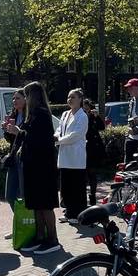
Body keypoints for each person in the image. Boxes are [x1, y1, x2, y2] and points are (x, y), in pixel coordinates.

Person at [5, 81, 60, 254]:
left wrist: (18, 132)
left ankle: (52, 239)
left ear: (33, 96)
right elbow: (28, 136)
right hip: (33, 166)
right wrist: (17, 133)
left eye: (27, 95)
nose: (25, 99)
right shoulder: (33, 114)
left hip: (42, 167)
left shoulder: (41, 114)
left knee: (45, 204)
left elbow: (39, 139)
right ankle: (40, 236)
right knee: (36, 203)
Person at [56, 89, 89, 223]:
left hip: (76, 157)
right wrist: (56, 136)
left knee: (77, 187)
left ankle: (78, 214)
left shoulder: (83, 116)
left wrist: (59, 140)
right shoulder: (65, 114)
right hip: (64, 156)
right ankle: (69, 212)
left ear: (80, 99)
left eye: (73, 97)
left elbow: (76, 135)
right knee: (66, 187)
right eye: (69, 97)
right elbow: (59, 130)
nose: (70, 99)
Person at [2, 88, 27, 206]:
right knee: (10, 195)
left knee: (24, 193)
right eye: (13, 98)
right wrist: (6, 130)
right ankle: (20, 220)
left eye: (17, 98)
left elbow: (29, 138)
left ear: (26, 99)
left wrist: (18, 132)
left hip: (25, 158)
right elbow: (11, 140)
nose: (14, 101)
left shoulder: (30, 116)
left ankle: (30, 222)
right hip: (13, 156)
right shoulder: (13, 115)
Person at [83, 98, 107, 202]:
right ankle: (82, 196)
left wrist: (97, 117)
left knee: (92, 173)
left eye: (87, 106)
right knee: (83, 173)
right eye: (84, 106)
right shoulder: (79, 115)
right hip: (82, 147)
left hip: (92, 148)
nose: (86, 108)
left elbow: (101, 127)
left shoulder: (93, 116)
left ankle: (92, 195)